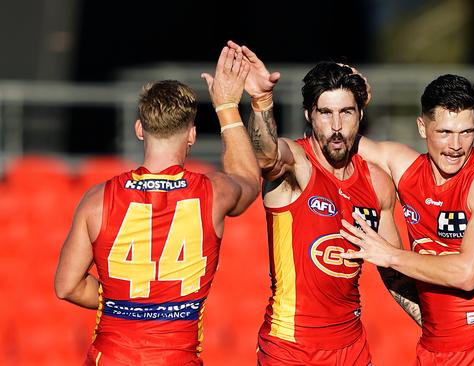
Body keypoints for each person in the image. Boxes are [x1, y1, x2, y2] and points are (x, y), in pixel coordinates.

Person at [54, 45, 260, 365]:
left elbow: (67, 286)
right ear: (191, 135)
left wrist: (124, 301)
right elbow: (248, 178)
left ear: (139, 129)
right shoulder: (214, 193)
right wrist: (227, 106)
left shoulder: (97, 200)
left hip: (111, 357)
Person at [227, 41, 418, 365]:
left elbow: (394, 273)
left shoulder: (376, 182)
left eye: (346, 112)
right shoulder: (297, 165)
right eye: (325, 113)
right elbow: (266, 157)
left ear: (360, 115)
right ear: (308, 115)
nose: (336, 126)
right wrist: (261, 101)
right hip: (289, 352)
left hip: (352, 352)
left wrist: (436, 326)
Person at [339, 74, 474, 365]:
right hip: (432, 349)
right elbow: (336, 138)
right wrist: (343, 98)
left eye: (466, 132)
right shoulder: (406, 169)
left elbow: (467, 274)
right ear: (422, 127)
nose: (456, 145)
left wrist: (391, 256)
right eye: (444, 132)